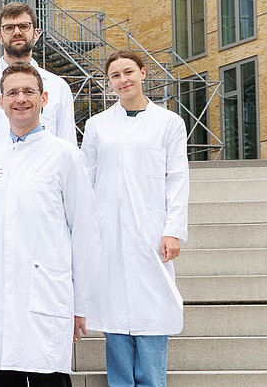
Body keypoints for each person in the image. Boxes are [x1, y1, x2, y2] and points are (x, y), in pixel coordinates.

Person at [0, 63, 98, 387]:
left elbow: (84, 232)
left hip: (46, 300)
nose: (20, 99)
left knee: (48, 376)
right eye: (12, 92)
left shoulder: (65, 156)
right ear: (0, 102)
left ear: (44, 98)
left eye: (28, 91)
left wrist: (81, 304)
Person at [82, 51, 188, 387]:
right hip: (108, 231)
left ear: (143, 73)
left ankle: (152, 382)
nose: (123, 80)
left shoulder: (169, 123)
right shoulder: (97, 125)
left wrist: (173, 230)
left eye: (129, 72)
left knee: (152, 309)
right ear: (109, 82)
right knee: (113, 309)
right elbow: (87, 179)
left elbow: (177, 178)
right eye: (115, 75)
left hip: (151, 229)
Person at [0, 1, 76, 203]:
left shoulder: (58, 87)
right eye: (9, 28)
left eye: (24, 26)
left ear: (36, 34)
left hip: (44, 197)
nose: (16, 32)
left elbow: (68, 149)